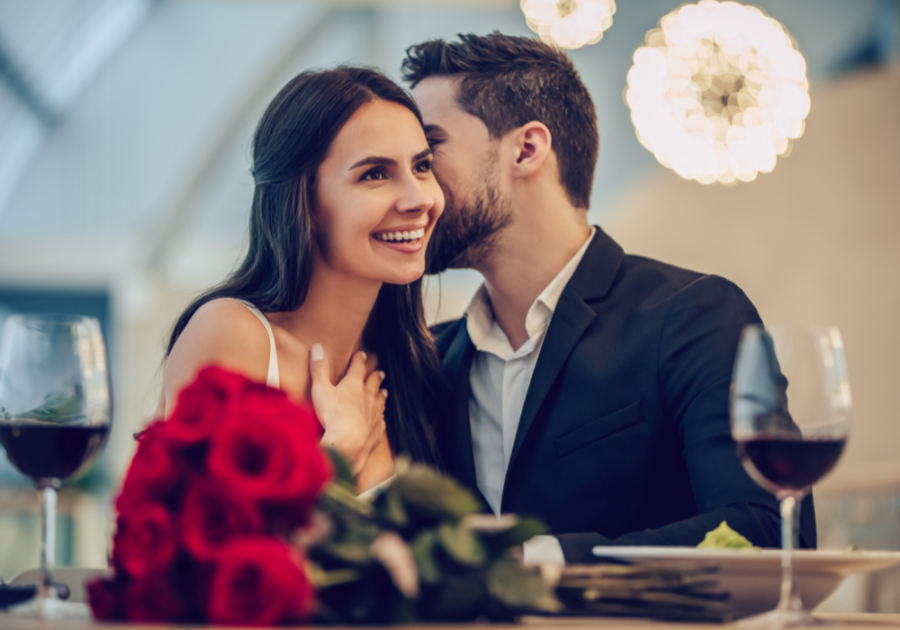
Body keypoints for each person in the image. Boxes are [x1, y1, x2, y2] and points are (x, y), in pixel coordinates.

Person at [401, 32, 816, 562]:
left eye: (429, 152)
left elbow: (770, 529)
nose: (414, 188)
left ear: (526, 149)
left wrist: (541, 561)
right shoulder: (430, 361)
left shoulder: (696, 316)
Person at [158, 67, 445, 491]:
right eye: (375, 174)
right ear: (303, 199)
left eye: (422, 166)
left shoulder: (411, 362)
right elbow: (193, 545)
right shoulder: (231, 334)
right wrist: (340, 454)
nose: (419, 198)